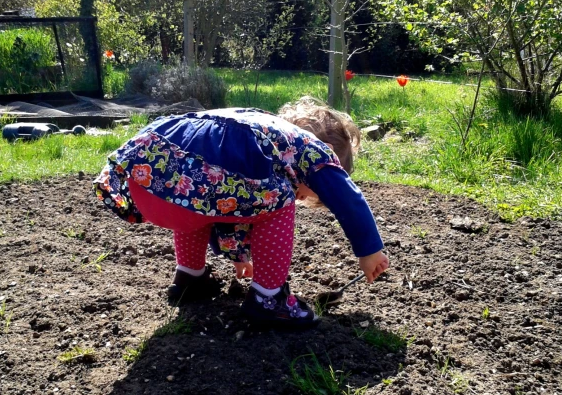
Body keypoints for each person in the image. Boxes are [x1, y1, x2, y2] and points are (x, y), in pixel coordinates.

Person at [93, 96, 389, 329]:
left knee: (202, 195)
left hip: (146, 172)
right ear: (328, 152)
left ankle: (190, 278)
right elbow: (349, 201)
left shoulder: (254, 142)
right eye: (312, 194)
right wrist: (370, 250)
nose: (304, 198)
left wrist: (240, 257)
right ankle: (269, 299)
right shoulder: (313, 150)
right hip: (178, 180)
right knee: (278, 200)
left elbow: (223, 204)